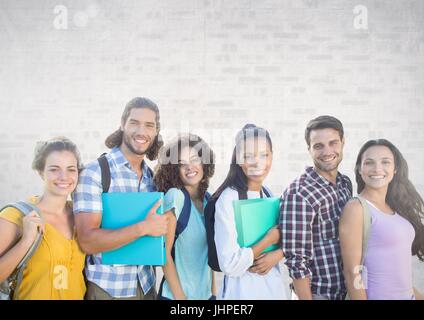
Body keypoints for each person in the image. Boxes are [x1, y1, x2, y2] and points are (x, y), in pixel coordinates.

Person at [73, 97, 168, 300]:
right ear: (123, 124)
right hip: (108, 289)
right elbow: (88, 241)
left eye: (149, 125)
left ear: (156, 131)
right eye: (134, 123)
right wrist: (144, 228)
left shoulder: (151, 178)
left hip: (146, 286)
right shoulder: (95, 172)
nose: (142, 131)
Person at [0, 137, 86, 300]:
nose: (64, 176)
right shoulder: (16, 215)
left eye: (71, 169)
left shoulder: (81, 215)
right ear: (41, 172)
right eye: (54, 169)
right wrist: (26, 241)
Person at [339, 139, 424, 300]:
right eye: (369, 163)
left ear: (395, 169)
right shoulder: (356, 208)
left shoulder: (395, 208)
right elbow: (352, 272)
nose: (377, 168)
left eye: (385, 162)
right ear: (360, 169)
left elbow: (398, 271)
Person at [213, 124, 290, 300]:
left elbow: (290, 241)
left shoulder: (269, 195)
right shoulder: (228, 199)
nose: (258, 162)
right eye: (249, 156)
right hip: (242, 294)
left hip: (274, 290)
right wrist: (268, 240)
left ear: (272, 156)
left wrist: (276, 255)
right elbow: (230, 264)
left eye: (264, 155)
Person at [280, 115, 352, 300]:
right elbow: (297, 261)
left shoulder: (345, 184)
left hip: (347, 291)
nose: (327, 151)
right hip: (318, 295)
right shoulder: (299, 194)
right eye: (318, 146)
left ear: (343, 142)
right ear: (309, 149)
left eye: (333, 143)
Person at [154, 133, 216, 300]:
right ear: (175, 170)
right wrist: (181, 299)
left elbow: (209, 255)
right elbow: (163, 254)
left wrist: (214, 293)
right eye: (182, 164)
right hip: (177, 297)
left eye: (195, 159)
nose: (190, 167)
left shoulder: (209, 200)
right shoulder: (176, 197)